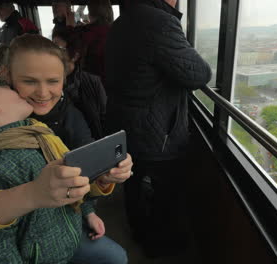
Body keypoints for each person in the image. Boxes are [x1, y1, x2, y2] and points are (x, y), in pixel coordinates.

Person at [0, 34, 132, 263]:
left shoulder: (71, 115)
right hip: (26, 244)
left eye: (53, 81)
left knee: (115, 257)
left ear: (64, 79)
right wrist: (31, 194)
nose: (43, 93)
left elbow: (84, 178)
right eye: (29, 81)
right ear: (6, 74)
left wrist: (105, 178)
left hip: (65, 226)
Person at [105, 0, 211, 257]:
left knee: (133, 181)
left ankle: (140, 234)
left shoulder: (122, 22)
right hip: (155, 132)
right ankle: (159, 246)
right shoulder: (158, 21)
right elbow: (199, 74)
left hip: (126, 123)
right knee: (166, 193)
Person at [53, 28, 107, 139]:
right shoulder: (47, 84)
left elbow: (104, 117)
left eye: (57, 49)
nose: (51, 53)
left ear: (75, 56)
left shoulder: (93, 82)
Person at [52, 0, 113, 84]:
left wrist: (69, 26)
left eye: (57, 5)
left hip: (92, 79)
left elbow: (72, 46)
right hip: (110, 78)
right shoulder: (115, 30)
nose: (54, 8)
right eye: (54, 6)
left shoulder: (85, 32)